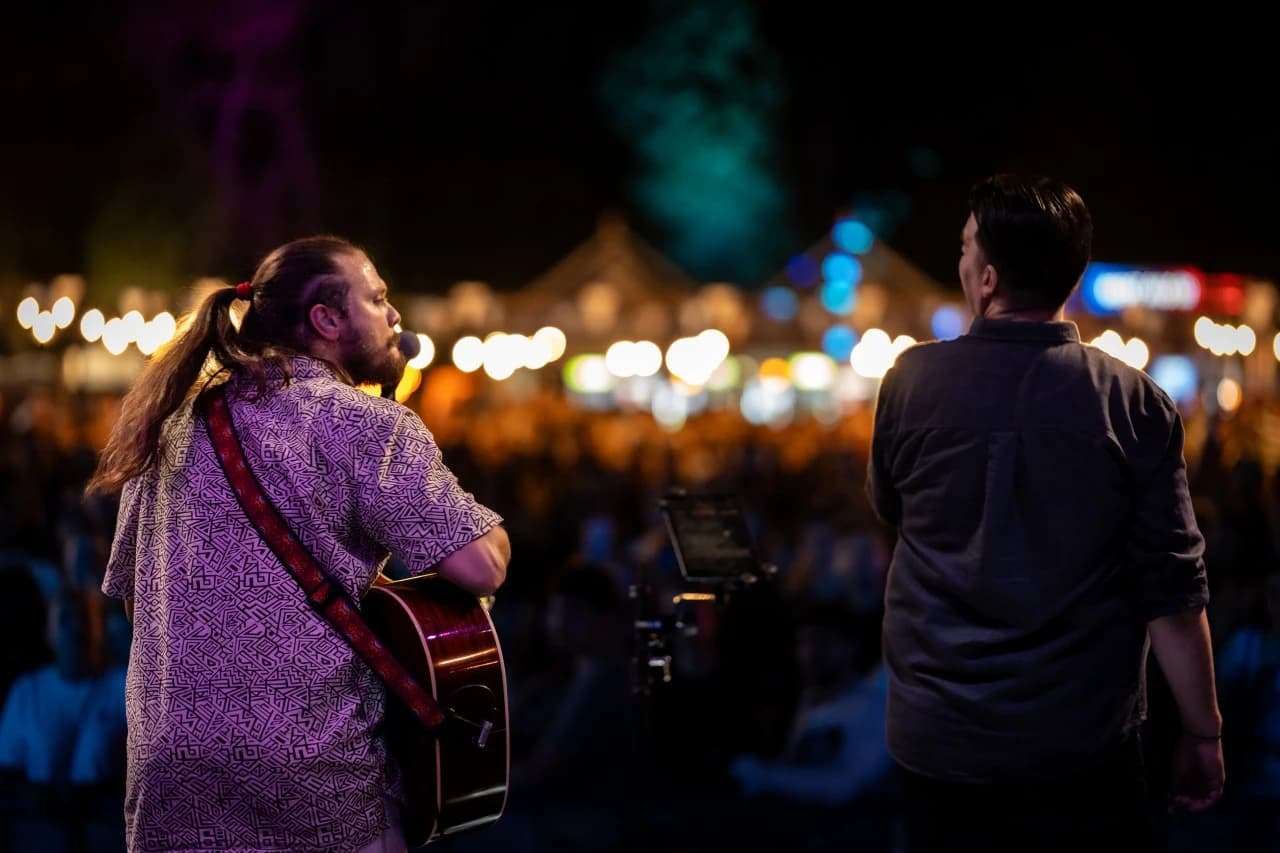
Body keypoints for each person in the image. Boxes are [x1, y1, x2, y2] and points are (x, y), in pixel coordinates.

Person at [87, 235, 510, 853]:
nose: (395, 315)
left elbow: (135, 599)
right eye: (378, 299)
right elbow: (482, 564)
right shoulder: (361, 423)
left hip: (171, 780)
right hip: (314, 778)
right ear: (326, 320)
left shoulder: (171, 425)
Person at [867, 176, 1223, 852]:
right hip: (1082, 744)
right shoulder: (1133, 402)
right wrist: (1203, 730)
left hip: (939, 739)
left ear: (989, 278)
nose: (961, 261)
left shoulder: (909, 383)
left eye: (966, 248)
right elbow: (1174, 593)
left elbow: (890, 508)